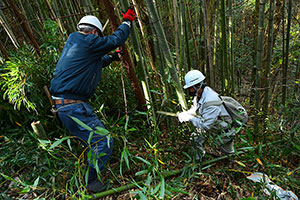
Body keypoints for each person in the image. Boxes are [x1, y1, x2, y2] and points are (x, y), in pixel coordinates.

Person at [49, 7, 136, 193]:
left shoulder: (77, 43)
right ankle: (92, 181)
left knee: (92, 143)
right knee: (103, 141)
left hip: (65, 105)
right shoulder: (86, 41)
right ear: (95, 33)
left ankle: (86, 176)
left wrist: (112, 58)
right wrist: (127, 22)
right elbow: (115, 39)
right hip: (72, 107)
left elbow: (96, 61)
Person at [177, 70, 236, 159]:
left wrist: (189, 118)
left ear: (197, 86)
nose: (189, 90)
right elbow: (196, 108)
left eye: (190, 88)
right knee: (195, 139)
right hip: (212, 126)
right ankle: (199, 159)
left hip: (223, 131)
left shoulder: (211, 101)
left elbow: (205, 125)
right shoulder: (199, 94)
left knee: (228, 155)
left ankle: (232, 167)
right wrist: (187, 113)